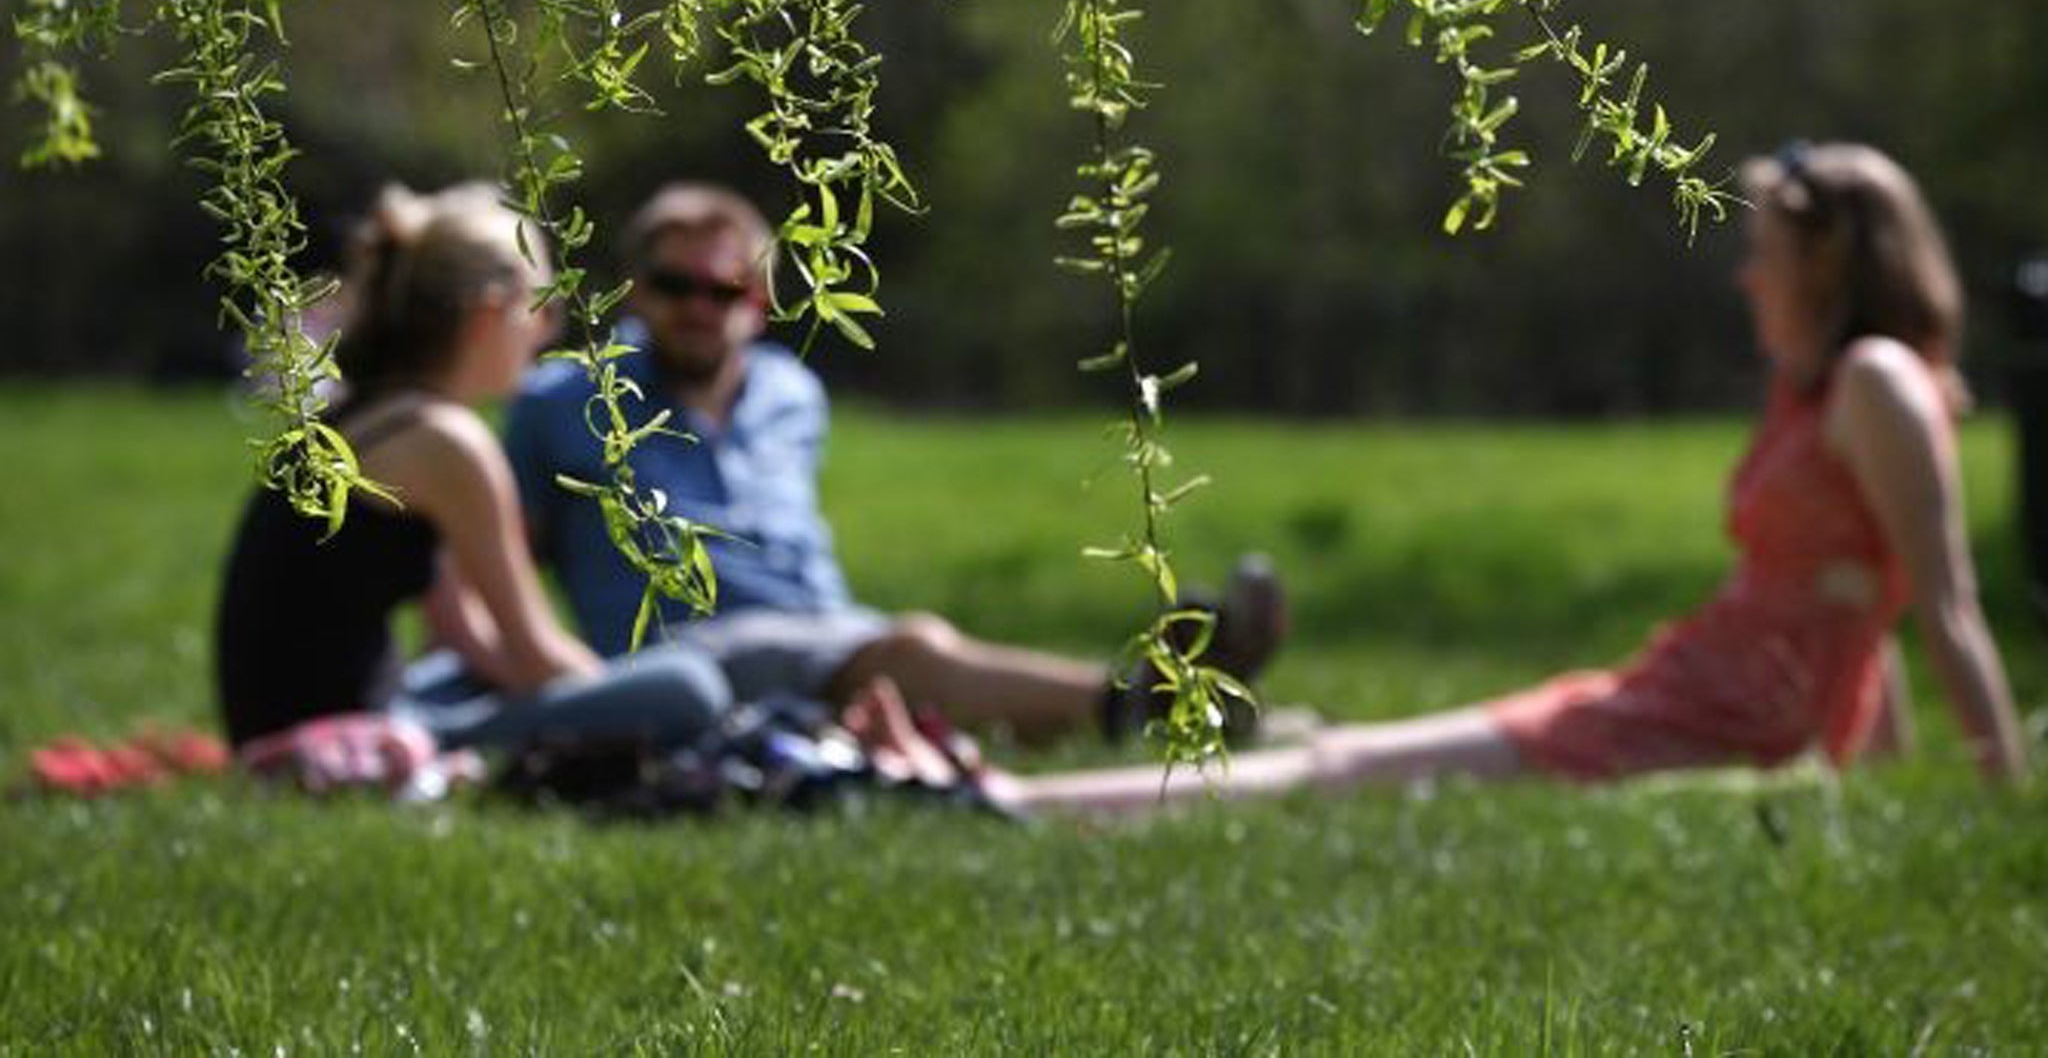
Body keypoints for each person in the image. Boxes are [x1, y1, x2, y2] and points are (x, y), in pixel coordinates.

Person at [998, 141, 2030, 814]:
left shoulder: (1877, 384)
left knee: (1354, 775)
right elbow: (1859, 603)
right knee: (1379, 758)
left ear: (1825, 263)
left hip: (1720, 713)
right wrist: (1872, 779)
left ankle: (1015, 804)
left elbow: (1934, 605)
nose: (1745, 275)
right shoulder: (1816, 392)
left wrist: (1998, 802)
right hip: (1697, 687)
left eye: (1763, 251)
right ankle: (1064, 787)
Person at [501, 182, 1286, 745]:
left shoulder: (789, 392)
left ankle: (1191, 700)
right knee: (914, 652)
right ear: (636, 294)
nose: (702, 307)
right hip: (689, 649)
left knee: (900, 663)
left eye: (724, 287)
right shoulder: (562, 400)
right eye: (677, 286)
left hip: (828, 630)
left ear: (759, 301)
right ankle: (1134, 700)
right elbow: (500, 561)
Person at [213, 183, 729, 756]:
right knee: (690, 685)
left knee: (467, 681)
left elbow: (469, 641)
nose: (548, 332)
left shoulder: (370, 414)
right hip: (348, 741)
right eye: (543, 306)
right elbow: (533, 656)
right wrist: (611, 691)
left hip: (284, 727)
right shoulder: (451, 443)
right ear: (491, 312)